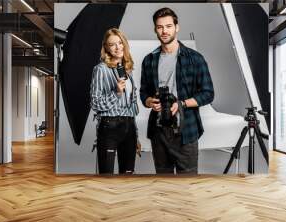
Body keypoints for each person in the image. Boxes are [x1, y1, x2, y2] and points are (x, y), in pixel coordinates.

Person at [140, 7, 214, 174]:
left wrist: (182, 104)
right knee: (163, 183)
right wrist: (149, 101)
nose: (164, 31)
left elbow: (208, 93)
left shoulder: (195, 58)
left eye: (168, 26)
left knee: (187, 184)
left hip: (186, 130)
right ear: (155, 30)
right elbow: (144, 92)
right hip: (158, 132)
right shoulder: (149, 60)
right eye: (160, 27)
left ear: (176, 27)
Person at [91, 28, 139, 174]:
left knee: (128, 175)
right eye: (112, 44)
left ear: (124, 44)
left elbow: (131, 107)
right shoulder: (100, 69)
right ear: (106, 47)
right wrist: (116, 92)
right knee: (107, 176)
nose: (118, 47)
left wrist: (135, 133)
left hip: (129, 127)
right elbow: (95, 103)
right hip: (109, 126)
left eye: (120, 43)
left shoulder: (128, 70)